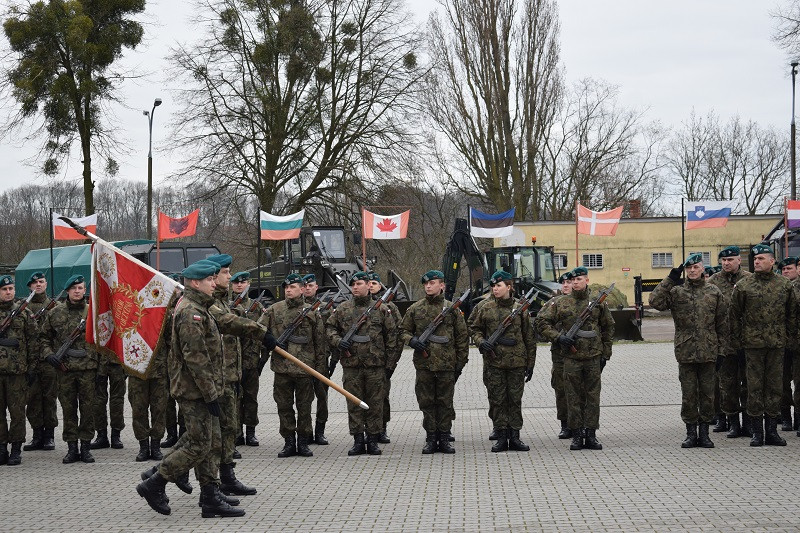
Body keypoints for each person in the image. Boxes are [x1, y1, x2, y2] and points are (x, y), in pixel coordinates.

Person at [136, 259, 276, 517]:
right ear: (195, 283)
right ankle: (154, 482)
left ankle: (209, 495)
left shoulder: (202, 306)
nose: (215, 283)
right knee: (199, 444)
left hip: (202, 388)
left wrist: (260, 332)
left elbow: (223, 329)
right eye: (210, 280)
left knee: (207, 442)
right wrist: (211, 393)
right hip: (195, 391)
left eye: (215, 278)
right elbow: (196, 358)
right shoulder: (191, 312)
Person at [649, 253, 727, 448]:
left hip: (709, 351)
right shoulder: (677, 292)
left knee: (708, 394)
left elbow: (723, 325)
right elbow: (654, 301)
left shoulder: (714, 292)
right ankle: (691, 433)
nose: (692, 271)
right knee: (689, 394)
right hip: (685, 351)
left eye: (696, 267)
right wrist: (669, 279)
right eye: (689, 268)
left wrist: (722, 351)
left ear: (703, 269)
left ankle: (704, 433)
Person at [537, 267, 614, 451]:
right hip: (571, 358)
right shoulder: (561, 303)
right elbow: (541, 322)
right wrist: (558, 337)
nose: (576, 282)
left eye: (579, 279)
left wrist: (605, 353)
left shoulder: (597, 303)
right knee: (572, 397)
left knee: (592, 397)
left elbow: (608, 327)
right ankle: (577, 435)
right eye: (573, 280)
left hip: (593, 357)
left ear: (587, 280)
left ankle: (591, 434)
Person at [326, 271, 397, 456]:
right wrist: (338, 341)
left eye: (359, 284)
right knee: (354, 403)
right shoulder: (343, 309)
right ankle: (358, 440)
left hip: (375, 366)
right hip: (352, 365)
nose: (355, 287)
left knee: (375, 404)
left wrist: (390, 365)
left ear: (368, 285)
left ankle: (373, 440)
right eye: (353, 284)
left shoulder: (381, 309)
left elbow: (392, 338)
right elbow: (329, 328)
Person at [730, 244, 795, 447]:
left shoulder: (784, 285)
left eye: (761, 259)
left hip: (777, 345)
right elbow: (734, 316)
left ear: (772, 261)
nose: (756, 262)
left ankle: (772, 431)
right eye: (755, 259)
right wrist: (738, 342)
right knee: (754, 387)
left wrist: (790, 341)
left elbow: (792, 315)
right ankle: (757, 432)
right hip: (752, 346)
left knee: (775, 387)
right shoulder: (744, 285)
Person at [259, 273, 327, 458]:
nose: (288, 290)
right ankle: (289, 442)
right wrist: (270, 342)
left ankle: (303, 442)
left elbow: (320, 343)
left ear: (303, 289)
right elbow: (259, 331)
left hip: (305, 368)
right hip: (282, 368)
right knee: (284, 406)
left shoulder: (312, 312)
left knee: (304, 407)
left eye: (293, 287)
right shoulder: (274, 310)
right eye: (286, 288)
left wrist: (320, 370)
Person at [401, 270, 468, 454]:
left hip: (447, 366)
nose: (428, 286)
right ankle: (431, 438)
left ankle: (444, 438)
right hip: (425, 366)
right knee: (427, 402)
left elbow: (462, 338)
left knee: (445, 403)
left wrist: (460, 364)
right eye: (426, 284)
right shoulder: (415, 309)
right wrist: (412, 340)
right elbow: (402, 331)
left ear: (442, 286)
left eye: (432, 283)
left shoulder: (452, 310)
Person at [469, 270, 536, 453]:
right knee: (498, 400)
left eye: (499, 285)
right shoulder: (485, 307)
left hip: (516, 362)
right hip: (494, 362)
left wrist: (531, 363)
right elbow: (474, 329)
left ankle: (514, 436)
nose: (495, 289)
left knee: (514, 400)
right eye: (493, 286)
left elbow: (529, 337)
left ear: (509, 287)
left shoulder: (520, 309)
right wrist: (481, 342)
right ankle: (501, 436)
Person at [41, 275, 97, 464]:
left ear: (84, 290)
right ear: (67, 291)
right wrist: (49, 355)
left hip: (88, 368)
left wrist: (100, 367)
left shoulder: (93, 313)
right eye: (74, 288)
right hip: (64, 370)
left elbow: (104, 340)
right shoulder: (55, 313)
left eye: (80, 288)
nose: (77, 291)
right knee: (68, 408)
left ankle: (86, 447)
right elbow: (43, 338)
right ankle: (72, 447)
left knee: (88, 408)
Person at [127, 286, 176, 462]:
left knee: (159, 409)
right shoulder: (131, 314)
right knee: (138, 410)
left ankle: (155, 445)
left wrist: (172, 367)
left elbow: (172, 343)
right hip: (137, 370)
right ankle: (143, 446)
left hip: (160, 371)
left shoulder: (165, 315)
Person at [708, 246, 752, 438]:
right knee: (728, 385)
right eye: (724, 261)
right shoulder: (713, 282)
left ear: (739, 260)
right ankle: (732, 421)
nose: (726, 263)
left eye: (730, 260)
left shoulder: (750, 279)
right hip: (725, 343)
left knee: (749, 384)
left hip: (748, 341)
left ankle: (749, 422)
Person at [0, 275, 37, 465]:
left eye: (11, 289)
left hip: (17, 373)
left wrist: (31, 369)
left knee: (17, 413)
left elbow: (33, 343)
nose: (8, 292)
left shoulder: (24, 314)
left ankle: (15, 449)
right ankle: (1, 447)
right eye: (4, 289)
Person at [23, 272, 58, 452]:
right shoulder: (23, 307)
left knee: (49, 398)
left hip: (48, 360)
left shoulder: (54, 306)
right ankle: (37, 435)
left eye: (42, 281)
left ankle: (49, 436)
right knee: (33, 398)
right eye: (35, 282)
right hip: (30, 360)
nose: (38, 285)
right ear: (29, 286)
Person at [367, 272, 402, 444]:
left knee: (382, 397)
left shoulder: (389, 308)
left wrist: (392, 362)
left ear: (380, 286)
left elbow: (396, 335)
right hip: (363, 361)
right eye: (369, 283)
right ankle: (367, 430)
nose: (371, 285)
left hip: (382, 361)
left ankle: (382, 428)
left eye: (375, 282)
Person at [230, 271, 264, 447]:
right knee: (235, 398)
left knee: (251, 398)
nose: (239, 285)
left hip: (251, 360)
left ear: (249, 284)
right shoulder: (227, 306)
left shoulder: (256, 307)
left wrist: (262, 359)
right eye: (236, 283)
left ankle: (251, 432)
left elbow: (262, 330)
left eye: (242, 282)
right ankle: (237, 433)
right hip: (233, 361)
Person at [544, 271, 575, 439]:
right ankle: (565, 424)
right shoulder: (552, 304)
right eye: (563, 282)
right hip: (560, 354)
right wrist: (557, 337)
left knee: (580, 389)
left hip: (581, 354)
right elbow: (541, 325)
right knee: (561, 389)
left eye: (569, 282)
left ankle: (581, 424)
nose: (565, 285)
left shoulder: (585, 303)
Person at [302, 273, 331, 445]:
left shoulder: (326, 308)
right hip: (303, 358)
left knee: (322, 396)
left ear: (316, 287)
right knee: (305, 398)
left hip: (321, 357)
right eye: (304, 286)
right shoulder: (298, 309)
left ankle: (320, 431)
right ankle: (306, 432)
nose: (307, 289)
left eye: (310, 286)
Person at [777, 256, 799, 431]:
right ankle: (785, 417)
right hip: (780, 342)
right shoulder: (778, 288)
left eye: (789, 269)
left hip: (797, 343)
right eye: (783, 270)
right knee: (782, 382)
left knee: (799, 382)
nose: (786, 272)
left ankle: (798, 417)